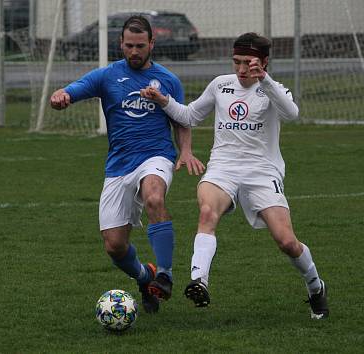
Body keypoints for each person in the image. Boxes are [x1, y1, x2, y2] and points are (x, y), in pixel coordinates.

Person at [140, 32, 329, 319]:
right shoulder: (221, 85)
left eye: (248, 63)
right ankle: (199, 280)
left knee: (287, 242)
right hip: (223, 168)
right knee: (207, 212)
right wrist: (163, 100)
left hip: (262, 172)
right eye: (236, 62)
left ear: (264, 62)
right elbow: (190, 116)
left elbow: (292, 114)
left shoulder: (272, 88)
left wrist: (264, 79)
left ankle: (316, 287)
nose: (241, 70)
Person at [49, 15, 204, 313]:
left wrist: (185, 151)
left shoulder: (168, 80)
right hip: (119, 165)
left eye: (141, 46)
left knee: (154, 196)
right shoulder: (107, 76)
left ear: (152, 44)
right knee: (115, 246)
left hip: (156, 155)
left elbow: (181, 119)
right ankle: (145, 278)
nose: (135, 51)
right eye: (129, 45)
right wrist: (62, 95)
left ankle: (165, 274)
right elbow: (75, 88)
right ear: (121, 43)